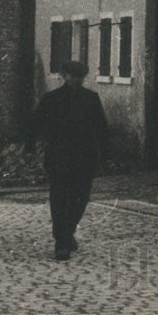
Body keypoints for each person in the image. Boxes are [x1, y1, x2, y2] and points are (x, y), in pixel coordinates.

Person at [26, 60, 109, 260]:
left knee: (81, 199)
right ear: (65, 76)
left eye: (80, 76)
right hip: (58, 157)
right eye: (73, 76)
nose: (77, 80)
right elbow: (35, 124)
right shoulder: (52, 99)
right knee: (59, 199)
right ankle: (61, 243)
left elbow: (102, 129)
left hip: (85, 158)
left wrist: (105, 155)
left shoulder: (91, 99)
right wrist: (29, 146)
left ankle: (68, 231)